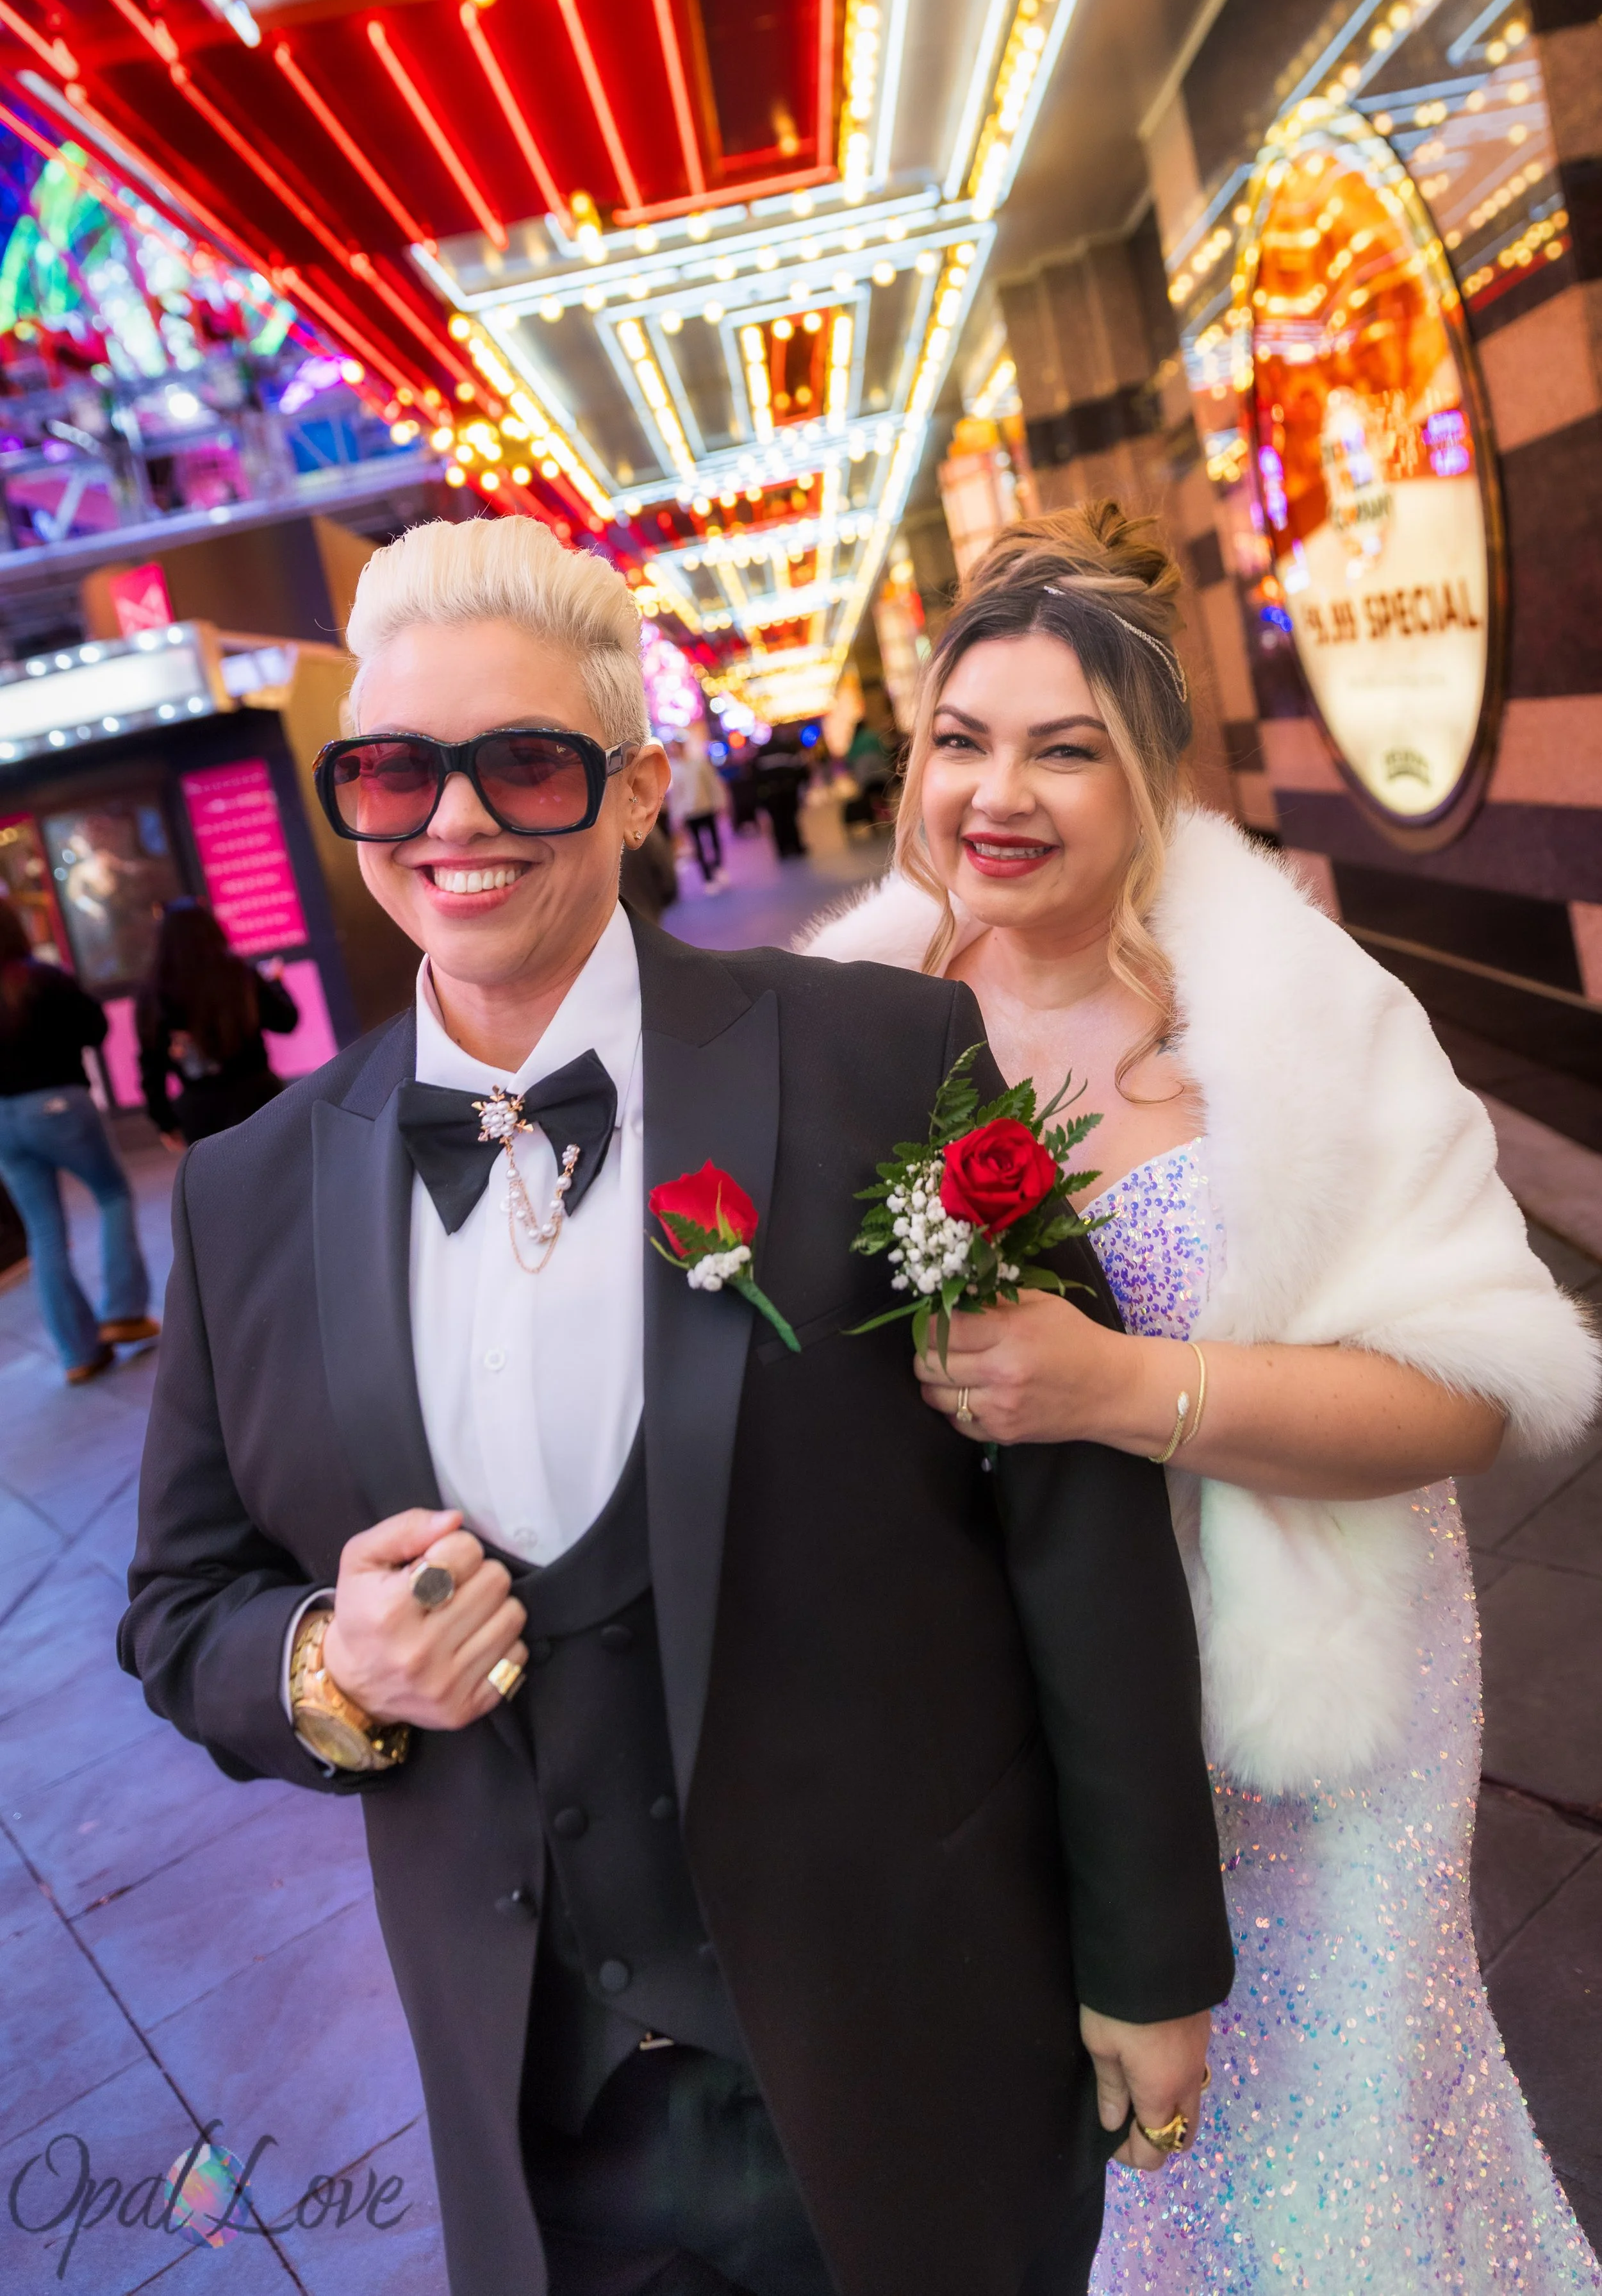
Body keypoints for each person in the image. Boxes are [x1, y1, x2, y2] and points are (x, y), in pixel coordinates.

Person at [120, 513, 1234, 2296]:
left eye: (527, 764)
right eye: (396, 771)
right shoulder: (247, 1192)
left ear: (637, 790)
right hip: (538, 2130)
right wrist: (332, 1667)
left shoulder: (887, 1053)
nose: (455, 821)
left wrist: (1153, 1950)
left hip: (913, 2044)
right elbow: (179, 1607)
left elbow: (1072, 1521)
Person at [801, 501, 1602, 2293]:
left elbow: (1476, 1387)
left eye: (1061, 750)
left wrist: (1116, 1385)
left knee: (1339, 2153)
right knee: (1115, 2187)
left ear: (1151, 772)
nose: (992, 794)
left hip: (1302, 1708)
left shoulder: (1295, 1024)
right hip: (1011, 1728)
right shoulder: (840, 1028)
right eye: (958, 739)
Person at [0, 894, 158, 1381]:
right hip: (59, 1104)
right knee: (111, 1195)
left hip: (3, 1122)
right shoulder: (41, 978)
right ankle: (125, 1313)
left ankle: (79, 1354)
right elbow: (95, 1026)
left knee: (43, 1232)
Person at [136, 897, 298, 1147]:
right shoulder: (238, 974)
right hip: (259, 1098)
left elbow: (151, 1064)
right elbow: (286, 1022)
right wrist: (276, 983)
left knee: (223, 1184)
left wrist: (165, 1122)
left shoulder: (154, 992)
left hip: (201, 1111)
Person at [667, 733, 728, 886]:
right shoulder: (674, 769)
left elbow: (712, 783)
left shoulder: (699, 763)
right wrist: (676, 816)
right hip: (690, 813)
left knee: (714, 840)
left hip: (706, 808)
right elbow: (676, 796)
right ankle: (707, 877)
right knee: (698, 846)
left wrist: (719, 802)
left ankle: (719, 867)